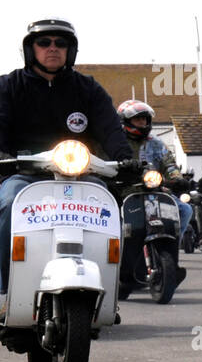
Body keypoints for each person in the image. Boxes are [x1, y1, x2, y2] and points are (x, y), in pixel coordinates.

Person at [0, 19, 136, 306]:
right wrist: (3, 156)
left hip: (81, 174)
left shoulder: (87, 88)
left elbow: (109, 127)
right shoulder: (9, 86)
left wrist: (125, 157)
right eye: (44, 42)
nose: (53, 48)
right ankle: (4, 291)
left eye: (61, 43)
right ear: (30, 49)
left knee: (109, 207)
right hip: (24, 172)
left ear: (70, 50)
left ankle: (110, 291)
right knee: (9, 202)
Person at [116, 99, 194, 243]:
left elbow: (169, 165)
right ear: (125, 121)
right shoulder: (116, 142)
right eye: (137, 119)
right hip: (124, 192)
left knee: (185, 210)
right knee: (112, 219)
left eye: (144, 119)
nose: (142, 122)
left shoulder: (156, 143)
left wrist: (177, 179)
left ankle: (172, 247)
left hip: (155, 191)